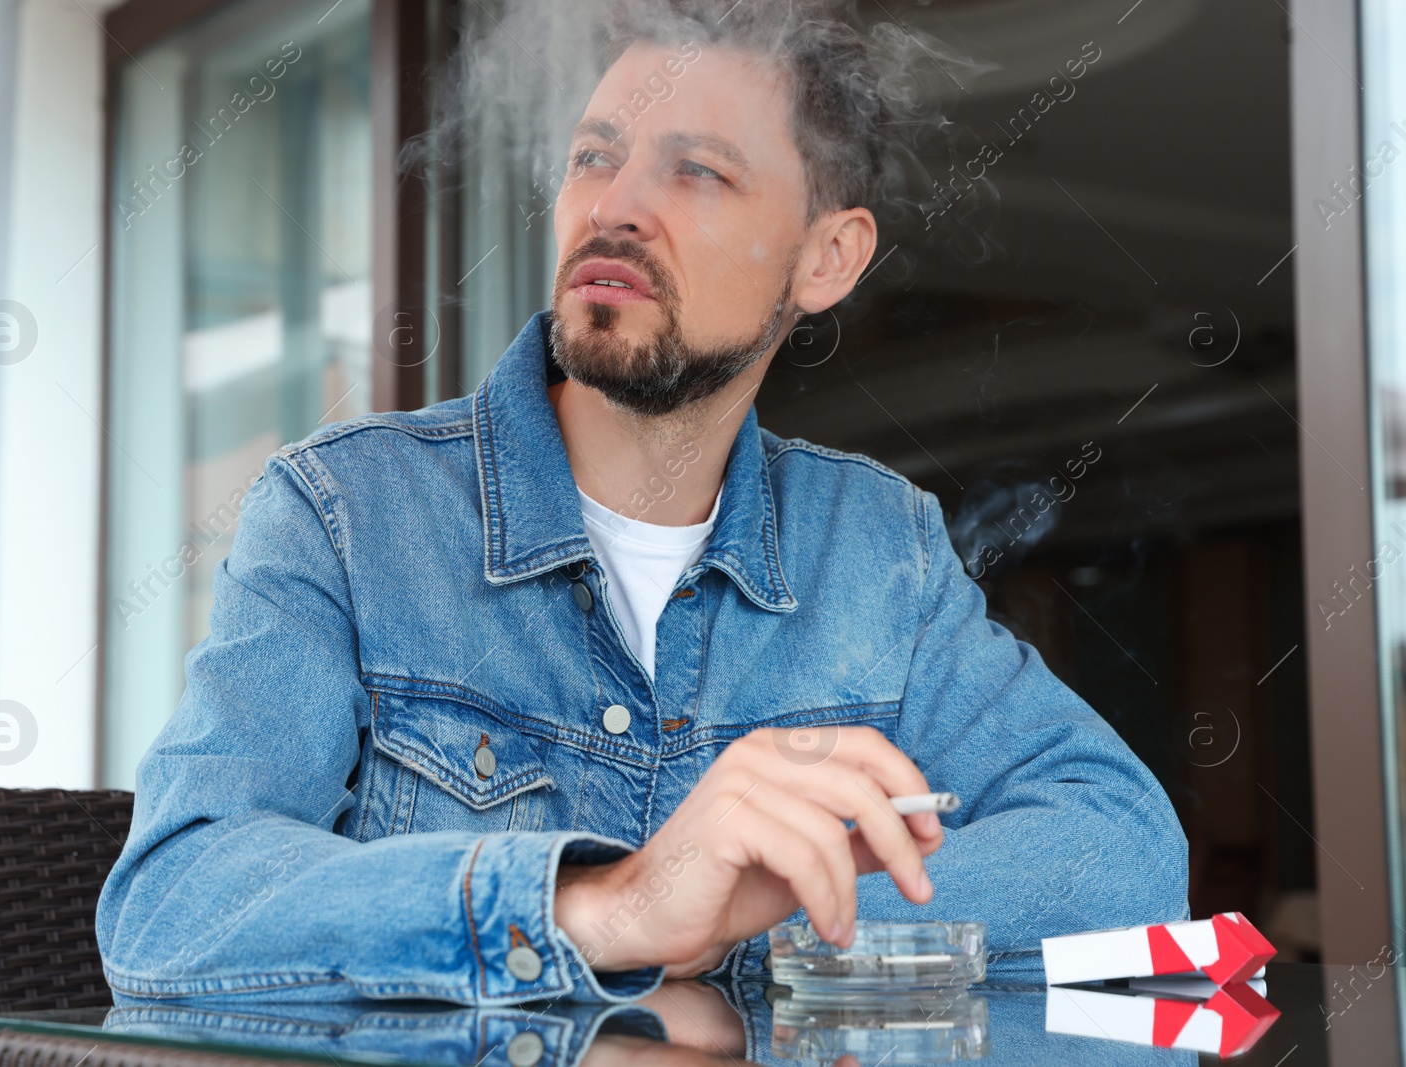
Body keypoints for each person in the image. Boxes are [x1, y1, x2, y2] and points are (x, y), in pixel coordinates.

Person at [96, 0, 1186, 1006]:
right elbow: (173, 902)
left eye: (697, 171)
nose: (613, 209)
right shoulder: (344, 510)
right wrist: (608, 907)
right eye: (593, 158)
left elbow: (1122, 848)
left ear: (827, 258)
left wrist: (736, 920)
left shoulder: (876, 547)